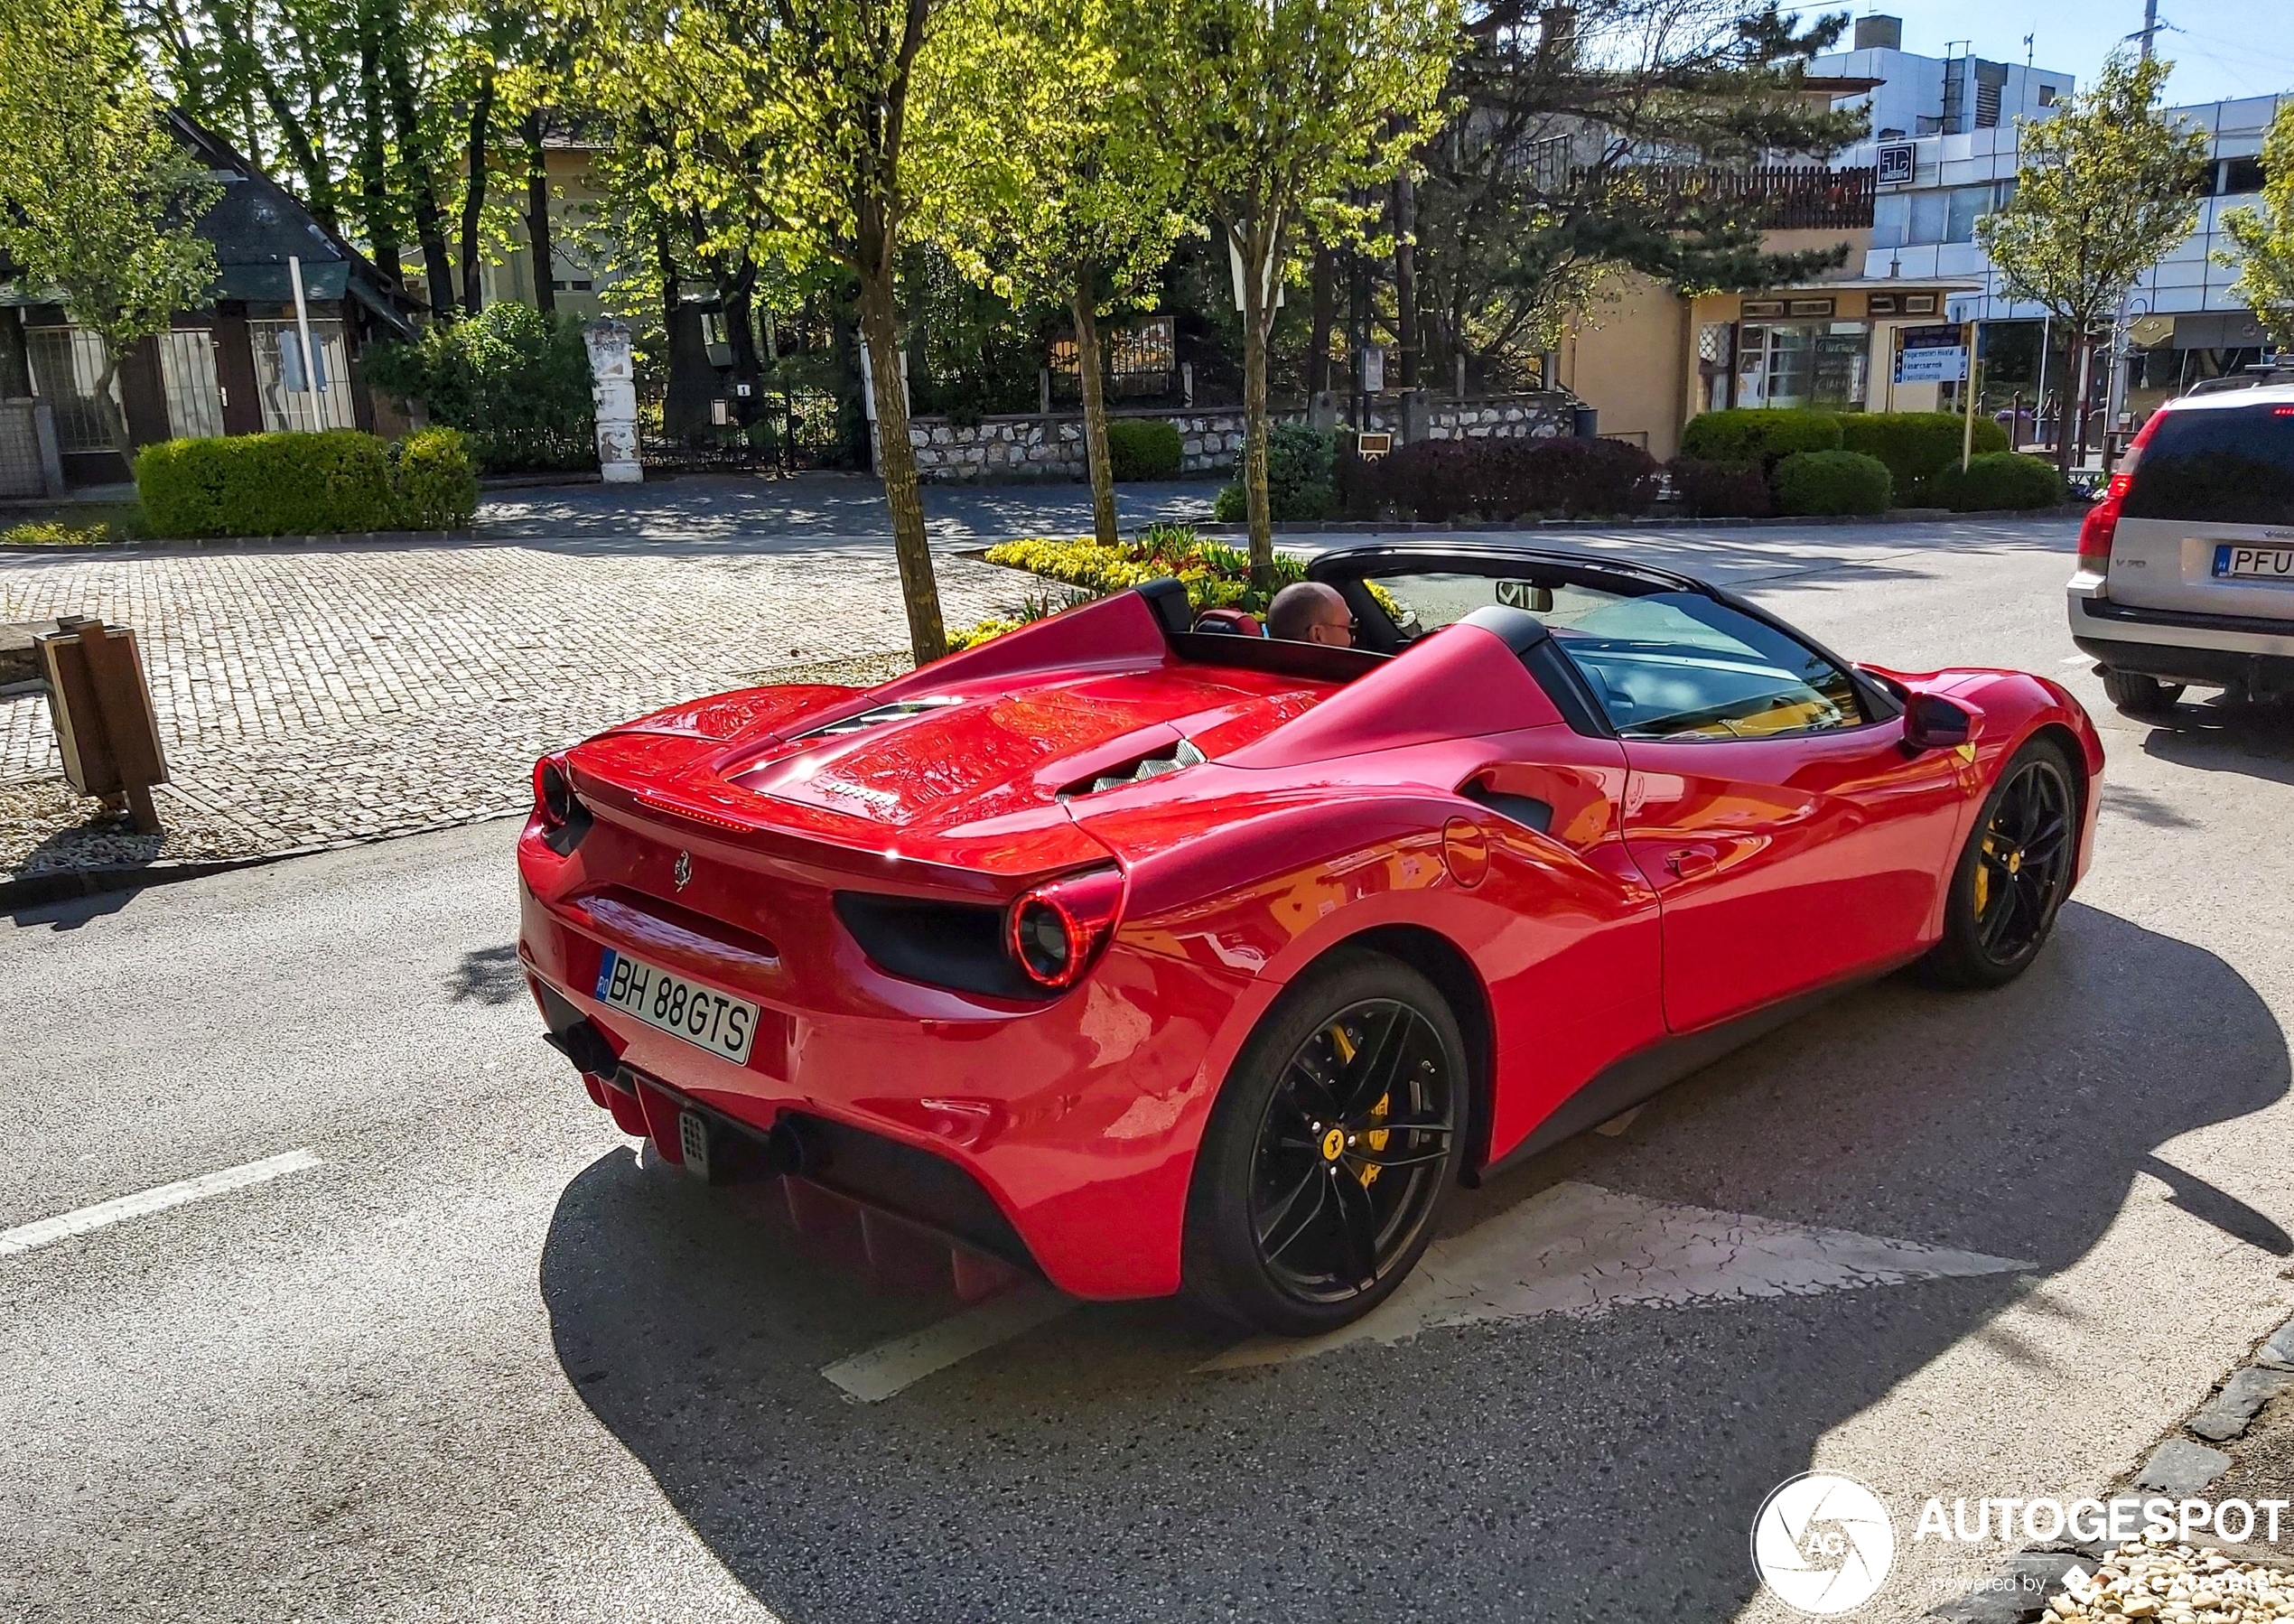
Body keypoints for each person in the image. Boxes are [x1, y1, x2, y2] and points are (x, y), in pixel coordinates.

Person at [1264, 581, 1356, 648]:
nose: (1353, 639)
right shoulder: (1351, 673)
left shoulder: (1258, 670)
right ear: (1317, 636)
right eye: (1349, 629)